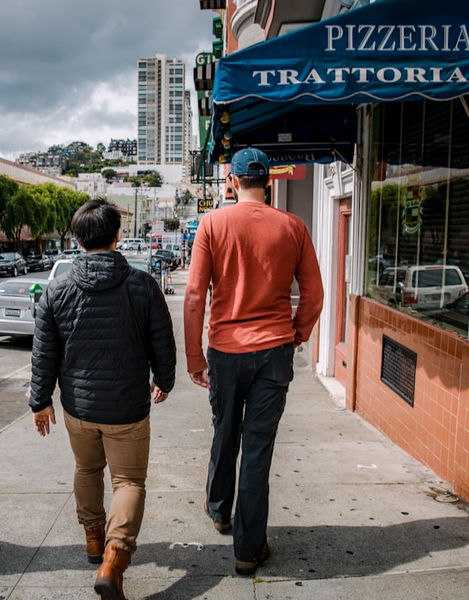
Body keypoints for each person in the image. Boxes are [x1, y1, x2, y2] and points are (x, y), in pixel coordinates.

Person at [183, 147, 324, 576]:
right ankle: (248, 548)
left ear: (231, 181)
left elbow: (193, 297)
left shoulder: (212, 223)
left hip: (226, 350)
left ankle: (219, 509)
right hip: (274, 352)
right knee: (258, 450)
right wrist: (298, 333)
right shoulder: (293, 227)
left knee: (225, 431)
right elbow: (314, 294)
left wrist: (194, 357)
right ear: (270, 182)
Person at [30, 199, 176, 600]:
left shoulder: (57, 289)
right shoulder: (142, 285)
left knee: (87, 469)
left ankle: (94, 539)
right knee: (128, 481)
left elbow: (44, 351)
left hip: (78, 407)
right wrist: (164, 380)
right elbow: (162, 341)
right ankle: (114, 559)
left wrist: (40, 400)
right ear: (116, 237)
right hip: (128, 406)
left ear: (77, 239)